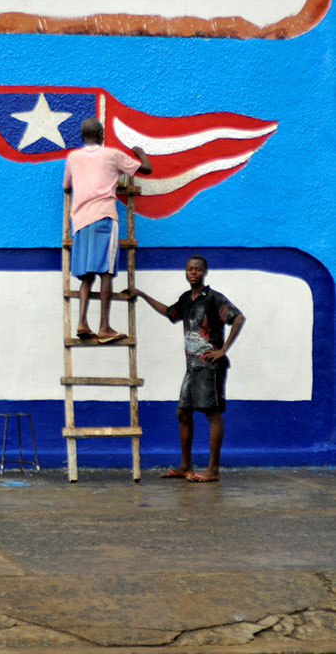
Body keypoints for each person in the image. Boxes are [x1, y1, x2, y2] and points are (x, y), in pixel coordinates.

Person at [128, 255, 245, 481]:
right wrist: (142, 295)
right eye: (190, 269)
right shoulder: (186, 300)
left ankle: (213, 470)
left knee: (212, 413)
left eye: (197, 269)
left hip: (210, 367)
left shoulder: (213, 298)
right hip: (192, 367)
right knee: (183, 413)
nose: (193, 272)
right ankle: (185, 465)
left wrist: (223, 350)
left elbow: (238, 317)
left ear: (204, 272)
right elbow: (169, 313)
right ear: (186, 272)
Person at [63, 117, 151, 343]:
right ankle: (104, 327)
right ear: (102, 135)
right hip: (104, 217)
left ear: (82, 137)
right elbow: (147, 169)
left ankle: (82, 323)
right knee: (106, 272)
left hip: (80, 222)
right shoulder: (112, 155)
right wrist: (140, 153)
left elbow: (66, 186)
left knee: (85, 277)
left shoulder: (73, 158)